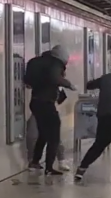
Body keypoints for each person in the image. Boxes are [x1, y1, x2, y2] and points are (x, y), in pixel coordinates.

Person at [27, 45, 76, 175]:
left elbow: (28, 81)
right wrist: (69, 84)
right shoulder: (55, 63)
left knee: (43, 134)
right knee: (54, 136)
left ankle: (35, 162)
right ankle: (49, 167)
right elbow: (55, 78)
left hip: (35, 101)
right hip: (46, 103)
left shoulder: (36, 62)